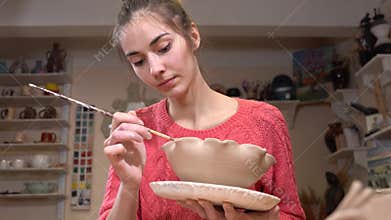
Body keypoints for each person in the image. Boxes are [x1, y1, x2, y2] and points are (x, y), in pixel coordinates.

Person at [99, 0, 305, 219]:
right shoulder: (137, 131)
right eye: (138, 61)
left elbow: (291, 214)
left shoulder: (264, 120)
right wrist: (129, 186)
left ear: (193, 36)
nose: (155, 69)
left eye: (164, 48)